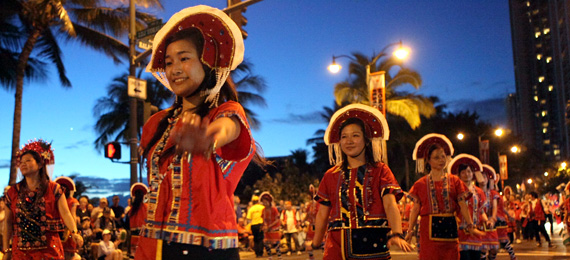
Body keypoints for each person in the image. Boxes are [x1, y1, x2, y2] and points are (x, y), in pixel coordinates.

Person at [134, 5, 266, 260]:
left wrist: (207, 139)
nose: (174, 69)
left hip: (207, 250)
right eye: (169, 62)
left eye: (184, 58)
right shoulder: (156, 123)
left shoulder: (226, 112)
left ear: (207, 63)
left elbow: (224, 130)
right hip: (153, 247)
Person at [312, 104, 412, 259]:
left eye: (355, 135)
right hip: (338, 247)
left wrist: (397, 233)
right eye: (344, 136)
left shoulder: (380, 170)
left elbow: (390, 204)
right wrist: (315, 242)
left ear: (366, 140)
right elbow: (322, 214)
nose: (349, 141)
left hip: (374, 245)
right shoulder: (331, 175)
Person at [2, 139, 82, 259]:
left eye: (28, 160)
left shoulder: (54, 189)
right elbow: (7, 222)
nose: (23, 164)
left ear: (40, 164)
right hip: (20, 252)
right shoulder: (12, 192)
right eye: (21, 162)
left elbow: (66, 213)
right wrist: (6, 249)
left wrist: (75, 232)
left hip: (49, 250)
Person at [405, 134, 476, 260]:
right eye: (436, 157)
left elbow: (462, 204)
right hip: (428, 231)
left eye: (443, 156)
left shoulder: (455, 181)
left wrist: (470, 224)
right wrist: (410, 230)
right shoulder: (420, 184)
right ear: (428, 161)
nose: (441, 160)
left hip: (450, 229)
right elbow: (415, 209)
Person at [448, 154, 486, 260]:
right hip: (460, 232)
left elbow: (481, 211)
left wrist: (488, 221)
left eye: (469, 171)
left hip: (475, 232)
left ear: (473, 174)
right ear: (459, 174)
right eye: (463, 172)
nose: (466, 174)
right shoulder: (454, 191)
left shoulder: (479, 192)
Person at [55, 176, 81, 260]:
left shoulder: (73, 201)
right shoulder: (56, 199)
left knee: (69, 253)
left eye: (64, 188)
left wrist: (74, 231)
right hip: (57, 227)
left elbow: (72, 215)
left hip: (67, 227)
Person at [126, 183, 148, 256]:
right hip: (143, 236)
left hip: (135, 236)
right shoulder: (147, 207)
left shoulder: (131, 210)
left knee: (135, 255)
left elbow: (127, 225)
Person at [260, 192, 282, 260]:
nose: (264, 203)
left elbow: (277, 219)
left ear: (269, 202)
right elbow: (263, 219)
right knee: (266, 243)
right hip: (267, 229)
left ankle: (279, 256)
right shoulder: (263, 210)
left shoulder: (274, 209)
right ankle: (270, 256)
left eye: (266, 202)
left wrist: (269, 226)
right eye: (263, 202)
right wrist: (263, 226)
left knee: (275, 243)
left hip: (274, 228)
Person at [303, 185, 319, 260]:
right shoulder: (309, 205)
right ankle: (311, 257)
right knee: (308, 242)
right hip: (311, 226)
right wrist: (302, 222)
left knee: (323, 242)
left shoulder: (320, 205)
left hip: (319, 226)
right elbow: (307, 215)